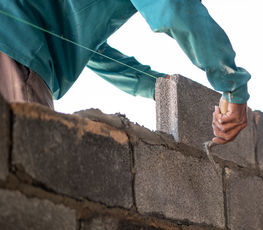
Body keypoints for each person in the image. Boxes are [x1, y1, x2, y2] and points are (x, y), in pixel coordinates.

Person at [0, 0, 250, 144]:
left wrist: (152, 85)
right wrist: (233, 87)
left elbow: (90, 50)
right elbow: (176, 9)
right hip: (14, 58)